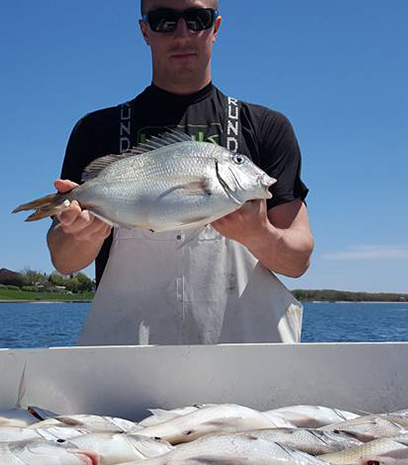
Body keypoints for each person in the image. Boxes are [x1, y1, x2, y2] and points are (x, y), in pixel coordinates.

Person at [47, 0, 314, 345]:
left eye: (197, 18)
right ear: (144, 30)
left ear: (215, 27)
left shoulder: (266, 128)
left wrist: (259, 234)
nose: (183, 33)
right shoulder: (96, 129)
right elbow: (63, 260)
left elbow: (298, 259)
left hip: (245, 363)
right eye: (164, 20)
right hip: (129, 366)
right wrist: (85, 235)